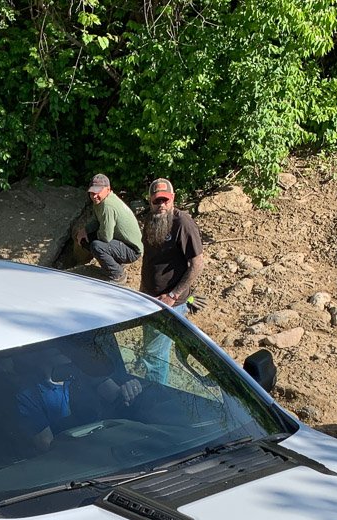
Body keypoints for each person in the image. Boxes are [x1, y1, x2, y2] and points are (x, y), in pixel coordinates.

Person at [139, 177, 204, 384]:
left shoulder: (182, 223)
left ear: (173, 199)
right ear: (150, 201)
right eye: (157, 201)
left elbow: (197, 264)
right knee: (153, 350)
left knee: (154, 355)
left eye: (165, 200)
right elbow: (149, 261)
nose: (162, 205)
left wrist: (173, 295)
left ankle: (155, 398)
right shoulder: (151, 220)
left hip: (170, 302)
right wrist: (142, 293)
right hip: (150, 299)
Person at [17, 344, 143, 451]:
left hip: (112, 444)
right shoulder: (28, 395)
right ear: (40, 351)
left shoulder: (86, 372)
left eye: (65, 345)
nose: (62, 349)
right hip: (77, 465)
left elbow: (118, 399)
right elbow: (48, 447)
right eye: (55, 345)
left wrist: (131, 389)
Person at [71, 174, 143, 283]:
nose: (94, 196)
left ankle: (117, 274)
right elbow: (96, 221)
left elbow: (106, 237)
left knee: (97, 246)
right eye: (92, 192)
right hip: (122, 242)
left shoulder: (108, 206)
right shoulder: (100, 201)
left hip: (132, 250)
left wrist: (92, 240)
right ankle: (114, 263)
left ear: (108, 189)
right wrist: (84, 230)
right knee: (87, 239)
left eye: (97, 192)